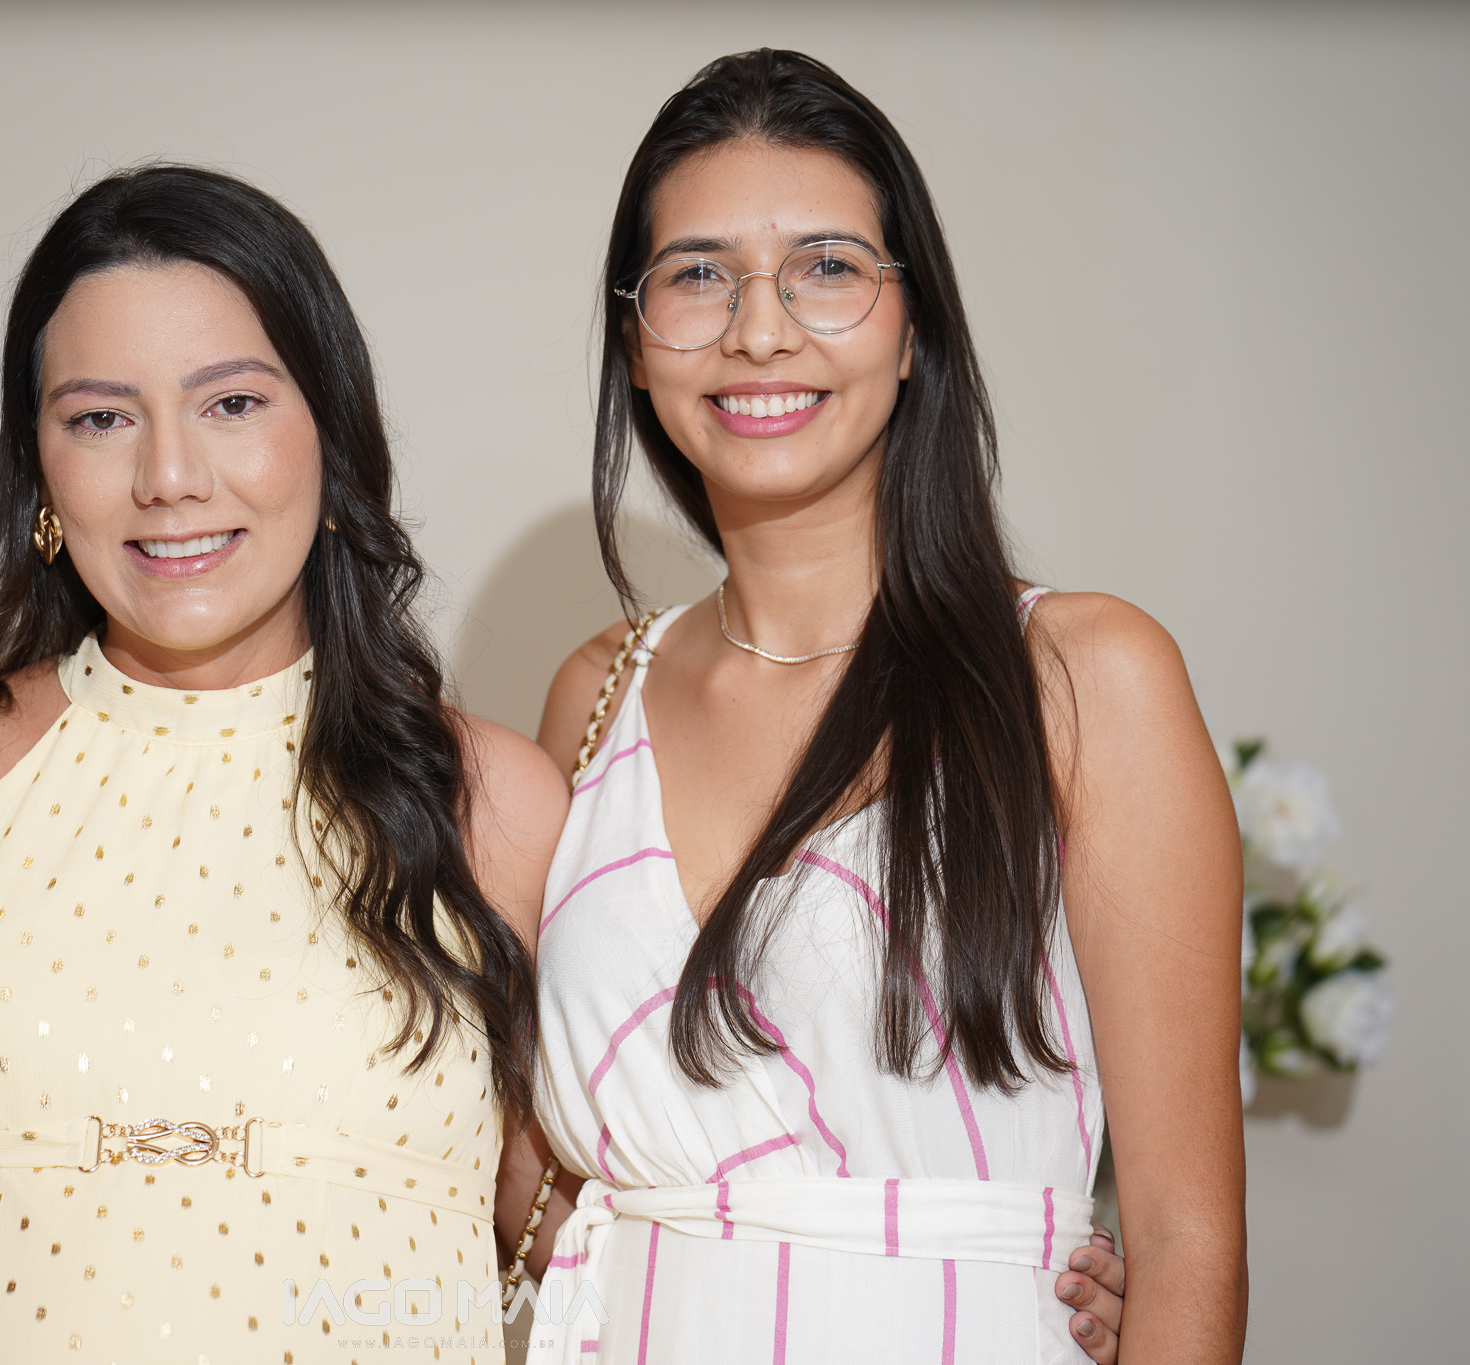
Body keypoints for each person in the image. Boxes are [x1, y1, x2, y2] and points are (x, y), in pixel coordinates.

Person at [0, 165, 571, 1364]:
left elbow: (580, 1237)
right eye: (99, 418)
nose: (167, 477)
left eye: (230, 403)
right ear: (39, 470)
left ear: (329, 437)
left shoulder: (491, 802)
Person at [523, 50, 1243, 1364]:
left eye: (826, 266)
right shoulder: (594, 691)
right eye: (697, 274)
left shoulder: (1085, 675)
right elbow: (540, 1174)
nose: (759, 329)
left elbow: (1187, 1239)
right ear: (633, 343)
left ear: (914, 329)